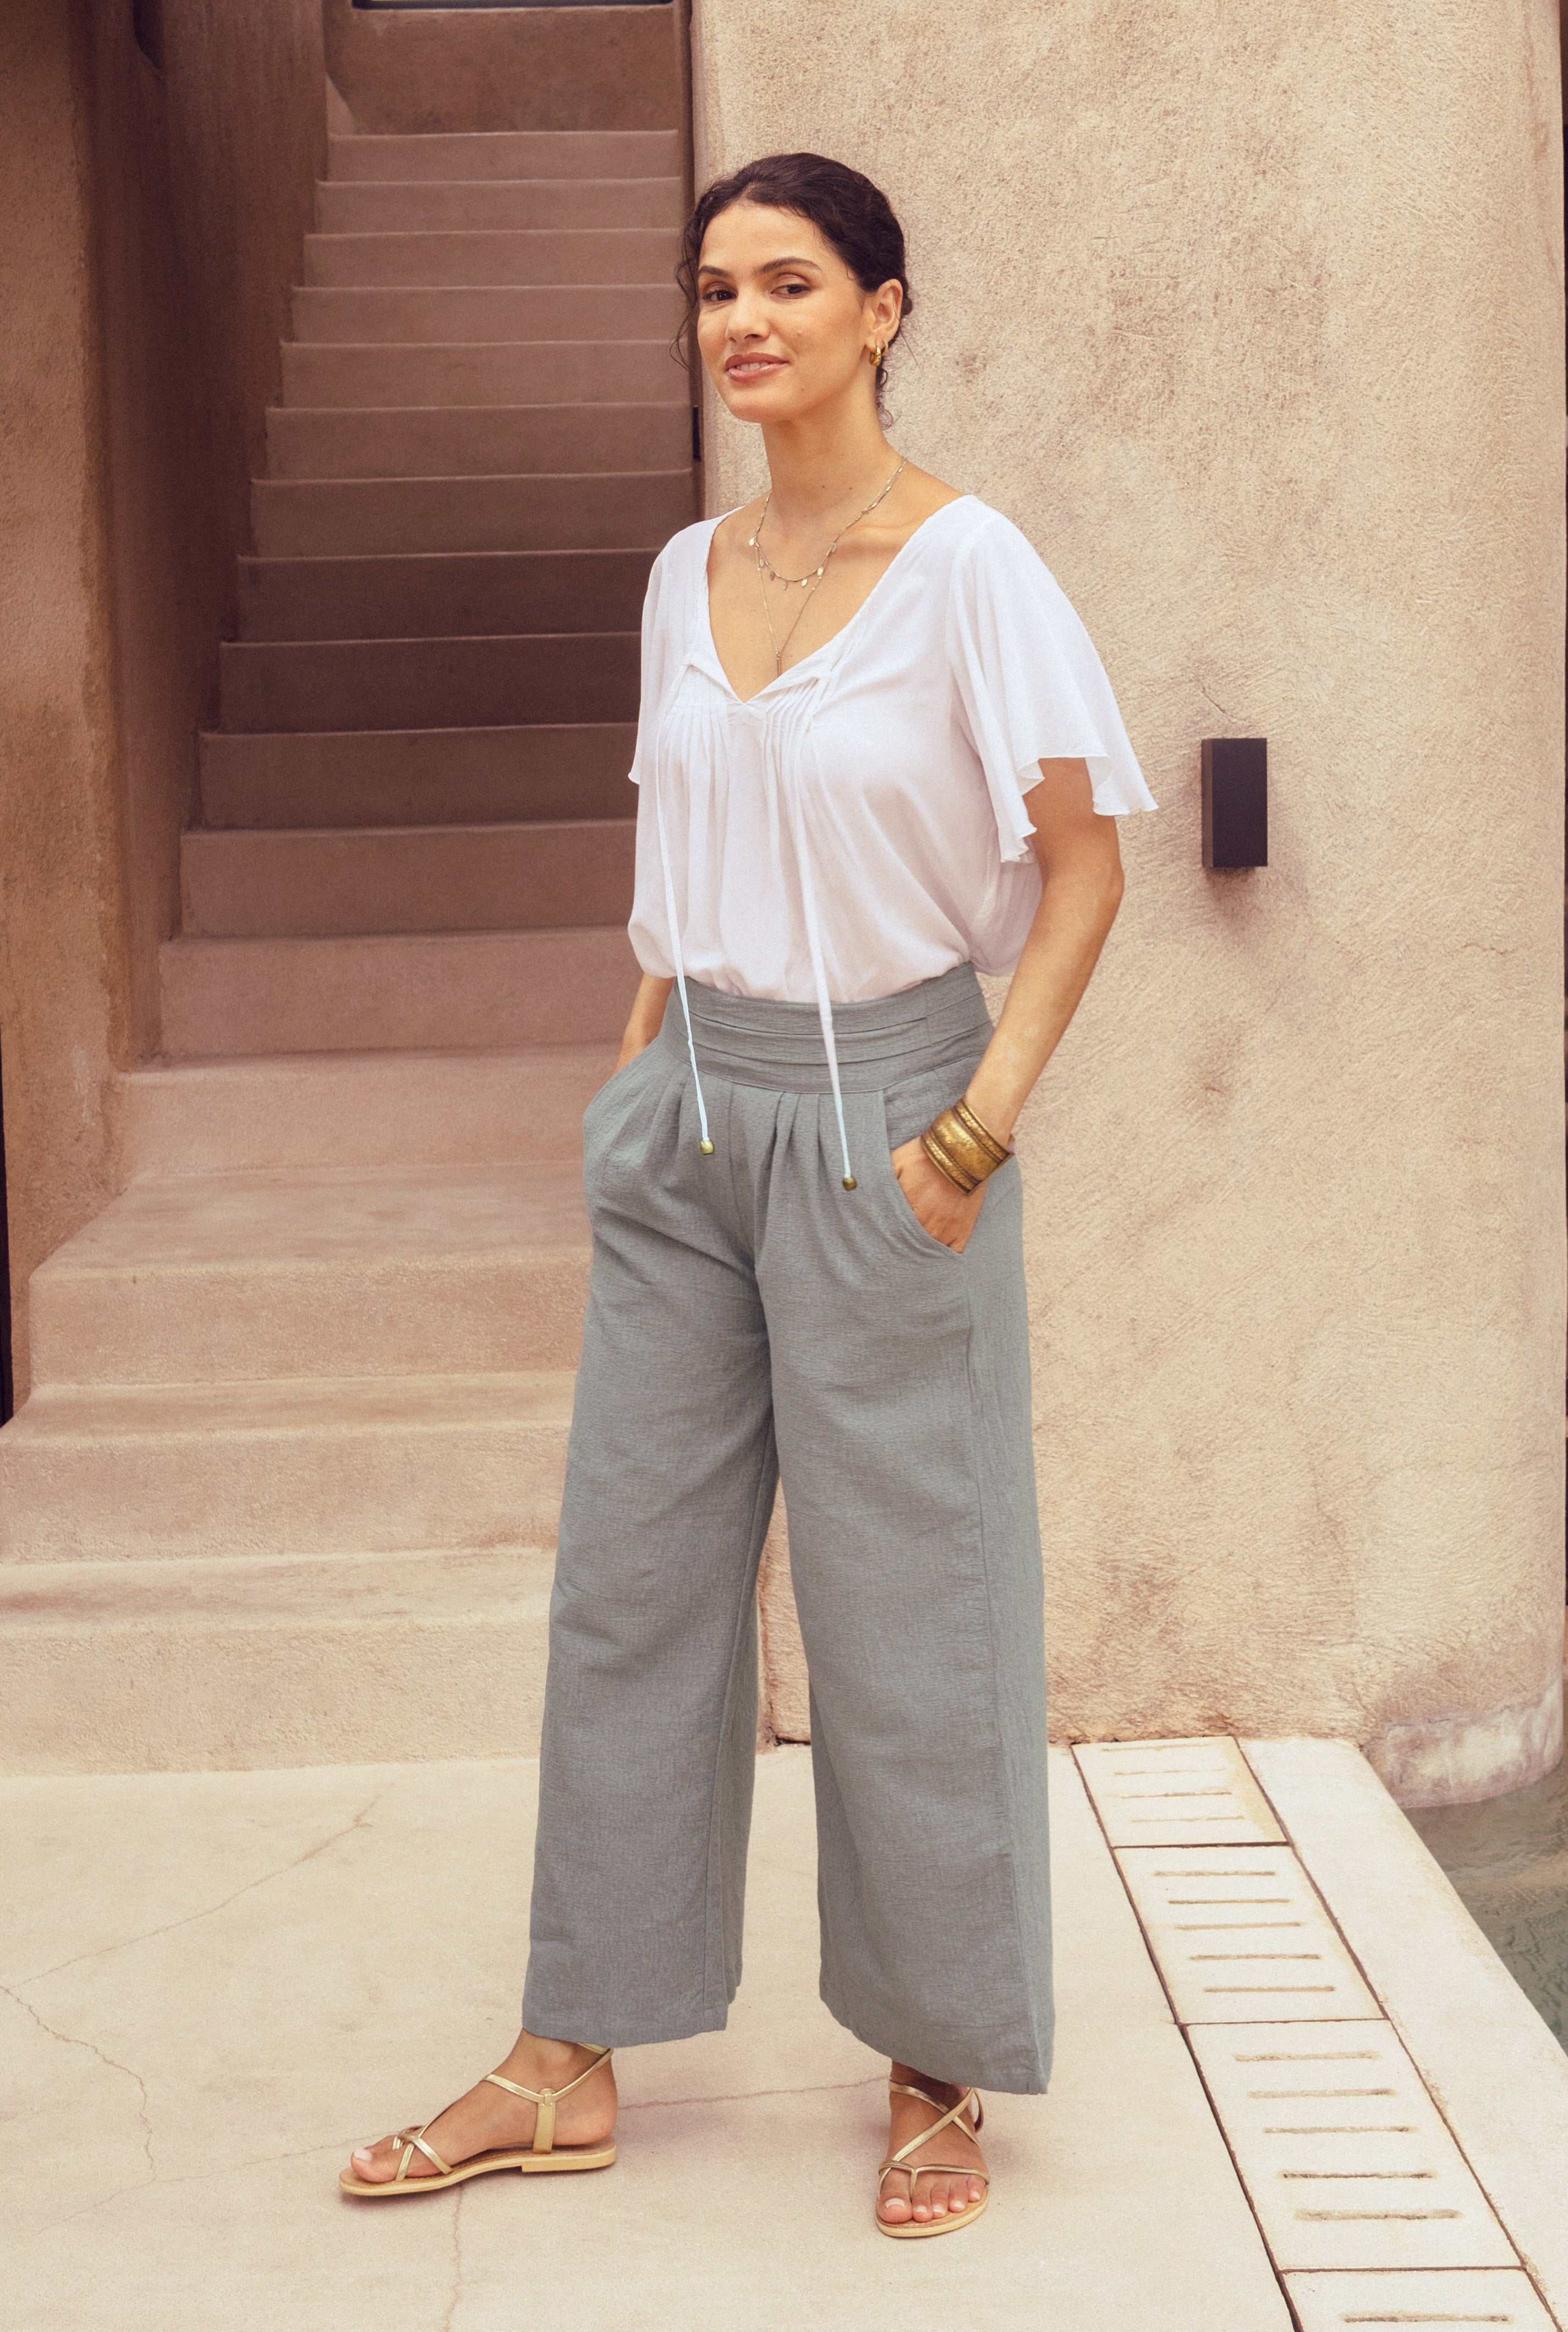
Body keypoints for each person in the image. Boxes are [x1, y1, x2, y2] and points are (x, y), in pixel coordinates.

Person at [342, 149, 1154, 2238]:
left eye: (789, 282)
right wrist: (631, 1084)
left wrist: (972, 1133)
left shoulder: (971, 568)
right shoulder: (681, 570)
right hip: (687, 1111)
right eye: (716, 288)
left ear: (882, 310)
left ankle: (935, 2062)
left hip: (891, 1118)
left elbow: (1084, 873)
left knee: (911, 1611)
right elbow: (674, 857)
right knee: (630, 1589)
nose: (744, 320)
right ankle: (567, 2055)